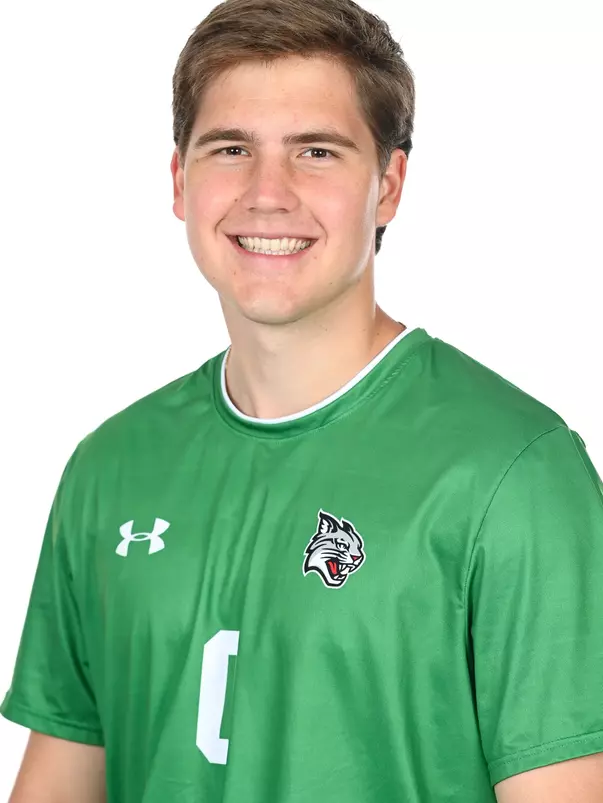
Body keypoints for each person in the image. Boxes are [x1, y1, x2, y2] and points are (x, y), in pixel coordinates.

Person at [2, 0, 603, 801]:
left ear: (387, 186)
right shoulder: (110, 466)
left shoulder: (513, 473)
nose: (267, 193)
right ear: (179, 180)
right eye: (231, 149)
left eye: (315, 152)